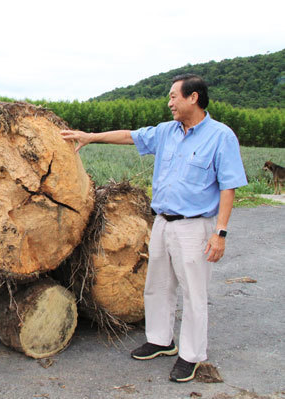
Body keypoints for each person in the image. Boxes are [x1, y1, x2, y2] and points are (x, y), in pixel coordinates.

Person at [60, 74, 247, 383]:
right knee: (157, 284)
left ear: (193, 98)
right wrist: (91, 136)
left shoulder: (220, 136)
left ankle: (192, 356)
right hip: (161, 222)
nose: (169, 102)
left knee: (194, 292)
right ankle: (161, 340)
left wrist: (220, 233)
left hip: (194, 226)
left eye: (174, 96)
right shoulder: (166, 132)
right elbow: (129, 136)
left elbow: (228, 188)